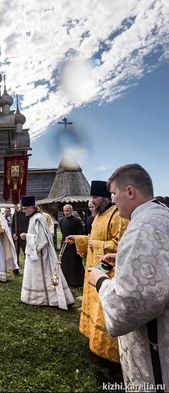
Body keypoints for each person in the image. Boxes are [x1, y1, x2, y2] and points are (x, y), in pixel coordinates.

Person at [87, 164, 169, 390]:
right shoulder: (160, 216)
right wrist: (121, 257)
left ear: (130, 192)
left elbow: (130, 306)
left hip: (155, 347)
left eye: (114, 194)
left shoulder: (143, 226)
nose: (112, 200)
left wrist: (101, 281)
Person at [65, 180, 128, 381]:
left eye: (95, 197)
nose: (92, 201)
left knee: (105, 313)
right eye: (91, 198)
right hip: (94, 270)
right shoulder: (99, 216)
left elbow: (122, 245)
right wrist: (79, 239)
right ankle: (96, 347)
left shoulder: (117, 216)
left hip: (108, 274)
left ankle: (112, 362)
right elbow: (92, 239)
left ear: (106, 197)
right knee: (95, 309)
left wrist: (96, 244)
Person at [19, 196, 74, 309]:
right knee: (34, 275)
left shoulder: (38, 218)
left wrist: (27, 237)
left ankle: (44, 299)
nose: (24, 211)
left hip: (40, 255)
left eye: (25, 208)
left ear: (31, 207)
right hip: (35, 252)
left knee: (43, 276)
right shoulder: (35, 217)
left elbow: (42, 238)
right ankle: (34, 298)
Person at [59, 204, 85, 288]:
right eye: (65, 211)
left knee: (75, 263)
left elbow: (80, 233)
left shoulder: (77, 221)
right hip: (66, 244)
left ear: (71, 211)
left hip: (74, 245)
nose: (66, 212)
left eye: (67, 211)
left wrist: (74, 240)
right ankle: (66, 281)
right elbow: (63, 231)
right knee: (65, 263)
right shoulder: (62, 220)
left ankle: (77, 282)